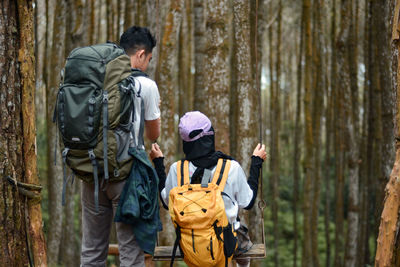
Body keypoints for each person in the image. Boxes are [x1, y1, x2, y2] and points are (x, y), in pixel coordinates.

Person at [80, 26, 161, 267]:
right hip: (125, 176)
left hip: (91, 171)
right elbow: (153, 134)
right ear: (141, 54)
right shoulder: (146, 86)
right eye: (148, 59)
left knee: (92, 250)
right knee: (130, 253)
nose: (147, 64)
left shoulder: (96, 78)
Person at [150, 111, 266, 267]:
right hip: (226, 244)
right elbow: (249, 202)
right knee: (242, 242)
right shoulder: (231, 167)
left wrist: (158, 162)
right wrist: (257, 162)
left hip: (190, 244)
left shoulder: (177, 169)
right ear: (210, 137)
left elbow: (166, 202)